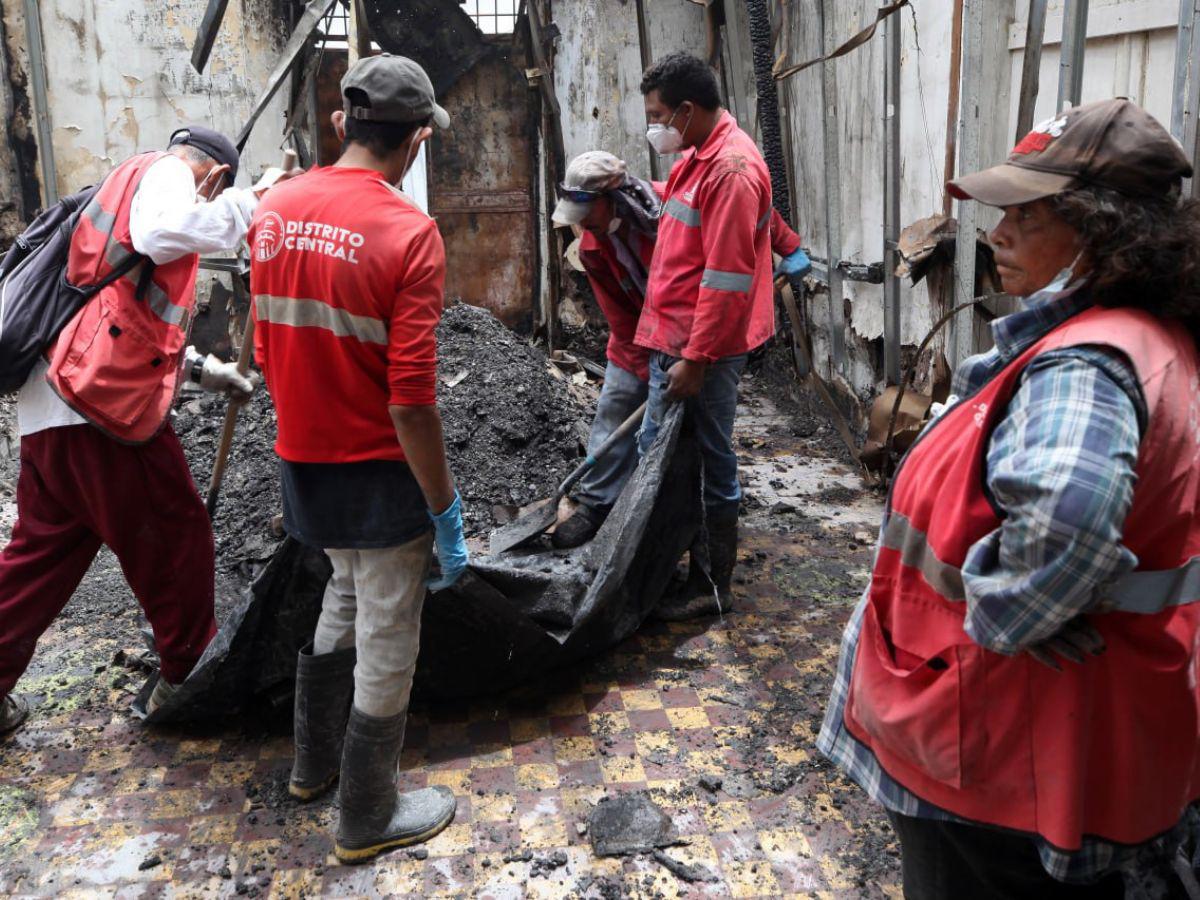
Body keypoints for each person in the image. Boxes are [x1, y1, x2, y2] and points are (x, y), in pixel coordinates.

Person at [819, 98, 1200, 897]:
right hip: (1065, 740)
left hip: (998, 752)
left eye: (1022, 218)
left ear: (1100, 232)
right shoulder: (1152, 341)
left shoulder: (1085, 366)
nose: (996, 237)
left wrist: (1009, 613)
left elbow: (1066, 519)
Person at [249, 53, 467, 863]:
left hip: (301, 459)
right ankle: (367, 813)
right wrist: (443, 509)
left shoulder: (274, 210)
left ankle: (312, 767)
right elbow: (410, 400)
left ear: (343, 124)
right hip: (377, 472)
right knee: (389, 630)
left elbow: (269, 350)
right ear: (413, 141)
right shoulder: (409, 232)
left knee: (342, 586)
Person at [0, 126, 276, 736]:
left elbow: (122, 324)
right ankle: (186, 681)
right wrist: (254, 203)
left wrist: (209, 373)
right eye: (216, 195)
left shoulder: (121, 188)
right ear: (213, 177)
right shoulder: (168, 173)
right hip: (101, 415)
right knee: (176, 537)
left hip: (53, 408)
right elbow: (161, 231)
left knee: (37, 560)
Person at [550, 149, 809, 550]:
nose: (582, 227)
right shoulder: (592, 249)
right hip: (643, 333)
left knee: (691, 430)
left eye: (587, 215)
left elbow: (747, 210)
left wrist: (788, 247)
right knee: (616, 406)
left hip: (703, 328)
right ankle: (599, 502)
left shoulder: (674, 202)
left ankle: (693, 522)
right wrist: (649, 368)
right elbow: (621, 318)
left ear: (612, 199)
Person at [633, 53, 810, 618]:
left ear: (686, 111)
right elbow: (686, 207)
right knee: (664, 452)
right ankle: (669, 567)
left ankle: (710, 586)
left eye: (659, 115)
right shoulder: (700, 153)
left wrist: (698, 358)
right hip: (680, 337)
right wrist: (630, 184)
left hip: (700, 345)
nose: (654, 125)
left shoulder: (730, 170)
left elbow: (726, 281)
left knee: (708, 458)